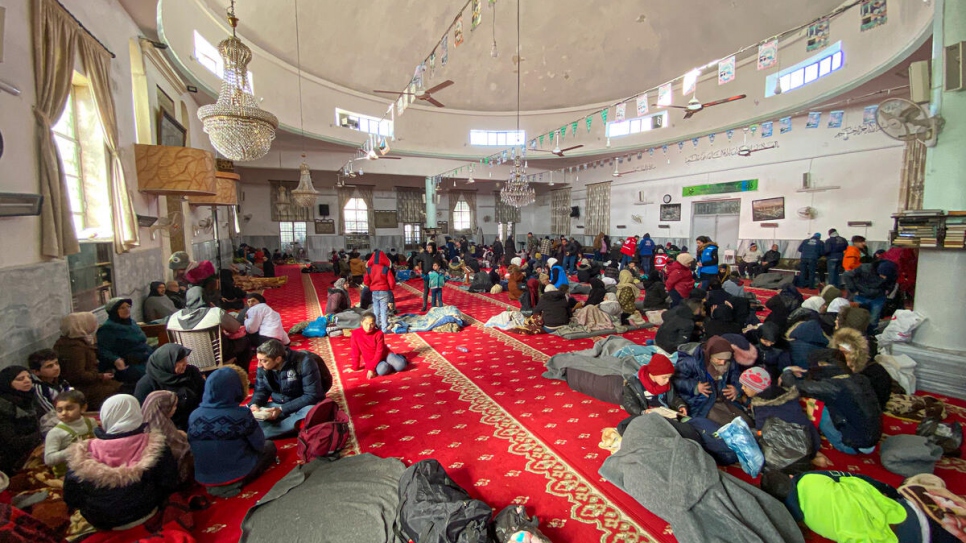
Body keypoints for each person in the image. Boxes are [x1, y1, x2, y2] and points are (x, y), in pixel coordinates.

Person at [64, 395, 179, 530]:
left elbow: (71, 496)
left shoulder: (84, 452)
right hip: (146, 512)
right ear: (136, 413)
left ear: (105, 415)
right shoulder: (154, 445)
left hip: (100, 520)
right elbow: (169, 482)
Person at [190, 367, 276, 497]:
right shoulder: (241, 415)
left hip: (204, 478)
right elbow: (259, 444)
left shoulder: (194, 415)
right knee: (270, 447)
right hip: (237, 474)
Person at [781, 350, 882, 455]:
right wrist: (804, 373)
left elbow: (794, 385)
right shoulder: (860, 378)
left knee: (817, 405)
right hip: (872, 439)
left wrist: (787, 370)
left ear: (822, 364)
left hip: (852, 445)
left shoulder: (834, 387)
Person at [249, 339, 327, 439]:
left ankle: (266, 433)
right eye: (258, 360)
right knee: (247, 413)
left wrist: (282, 409)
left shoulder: (305, 362)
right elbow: (261, 390)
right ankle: (287, 427)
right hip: (277, 404)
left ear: (278, 359)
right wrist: (255, 404)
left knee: (311, 412)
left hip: (302, 405)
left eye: (264, 361)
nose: (259, 364)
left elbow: (312, 395)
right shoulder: (263, 366)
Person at [740, 367, 822, 460]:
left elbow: (762, 432)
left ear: (755, 388)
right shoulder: (784, 393)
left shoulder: (763, 407)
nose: (742, 388)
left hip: (798, 449)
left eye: (745, 386)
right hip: (812, 439)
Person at [167, 286, 250, 369]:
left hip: (187, 359)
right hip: (218, 356)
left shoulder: (174, 317)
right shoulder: (215, 312)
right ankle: (241, 377)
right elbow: (235, 327)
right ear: (206, 297)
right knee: (245, 341)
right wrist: (214, 308)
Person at [54, 313, 120, 410]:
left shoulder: (75, 342)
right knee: (118, 391)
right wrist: (101, 376)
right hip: (83, 387)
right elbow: (78, 375)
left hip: (90, 381)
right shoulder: (74, 348)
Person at [134, 344, 205, 431]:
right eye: (181, 361)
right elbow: (145, 414)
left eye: (185, 359)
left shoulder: (191, 372)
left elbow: (204, 394)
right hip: (165, 429)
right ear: (167, 362)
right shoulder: (146, 384)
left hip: (196, 421)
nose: (185, 363)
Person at [672, 336, 743, 421]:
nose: (723, 363)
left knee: (744, 421)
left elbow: (736, 376)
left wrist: (737, 389)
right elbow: (677, 380)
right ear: (710, 354)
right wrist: (695, 386)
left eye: (726, 360)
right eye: (719, 359)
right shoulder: (691, 361)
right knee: (723, 424)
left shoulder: (730, 361)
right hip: (699, 402)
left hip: (723, 399)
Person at [97, 298, 153, 385]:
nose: (127, 310)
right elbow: (103, 350)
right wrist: (116, 360)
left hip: (146, 357)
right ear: (114, 311)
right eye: (122, 308)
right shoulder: (108, 328)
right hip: (130, 364)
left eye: (128, 306)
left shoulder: (132, 323)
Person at [141, 390, 193, 484]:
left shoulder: (155, 424)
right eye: (174, 406)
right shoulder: (162, 432)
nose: (175, 409)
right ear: (164, 407)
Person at [0, 366, 43, 474]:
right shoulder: (4, 408)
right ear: (7, 383)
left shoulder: (28, 397)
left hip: (32, 449)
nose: (27, 381)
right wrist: (44, 434)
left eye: (28, 377)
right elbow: (13, 442)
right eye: (20, 379)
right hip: (12, 462)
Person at [44, 390, 96, 477]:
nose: (64, 413)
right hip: (68, 474)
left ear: (83, 408)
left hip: (93, 468)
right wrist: (74, 449)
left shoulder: (91, 422)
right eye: (59, 410)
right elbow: (49, 460)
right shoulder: (55, 432)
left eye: (69, 408)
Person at [843, 259, 898, 336]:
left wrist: (888, 290)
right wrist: (853, 289)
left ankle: (870, 336)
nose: (883, 278)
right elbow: (847, 275)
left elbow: (892, 282)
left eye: (886, 276)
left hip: (877, 297)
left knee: (874, 319)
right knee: (857, 318)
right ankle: (855, 335)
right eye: (882, 275)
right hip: (861, 295)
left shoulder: (892, 273)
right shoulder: (864, 268)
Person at [621, 353, 687, 416]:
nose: (667, 381)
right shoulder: (634, 384)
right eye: (664, 377)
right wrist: (642, 412)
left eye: (669, 377)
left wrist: (680, 405)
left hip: (665, 413)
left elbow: (673, 398)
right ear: (654, 373)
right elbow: (629, 404)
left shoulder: (666, 384)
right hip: (646, 415)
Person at [350, 312, 408, 380]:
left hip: (385, 355)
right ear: (361, 323)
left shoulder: (379, 333)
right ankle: (390, 364)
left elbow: (379, 352)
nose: (369, 327)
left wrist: (371, 369)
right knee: (382, 370)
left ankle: (397, 358)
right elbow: (355, 351)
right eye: (366, 323)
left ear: (374, 324)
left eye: (371, 324)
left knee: (401, 365)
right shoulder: (355, 334)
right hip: (372, 360)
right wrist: (355, 367)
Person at [28, 348, 71, 427]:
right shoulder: (38, 388)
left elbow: (72, 399)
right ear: (36, 372)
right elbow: (50, 412)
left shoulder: (62, 382)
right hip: (50, 424)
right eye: (49, 366)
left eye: (56, 363)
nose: (56, 368)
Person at [364, 249, 397, 332]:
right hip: (384, 291)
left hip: (374, 291)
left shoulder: (369, 269)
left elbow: (366, 281)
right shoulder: (385, 269)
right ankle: (384, 329)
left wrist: (371, 286)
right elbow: (391, 281)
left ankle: (376, 326)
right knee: (384, 310)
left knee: (376, 310)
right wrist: (391, 288)